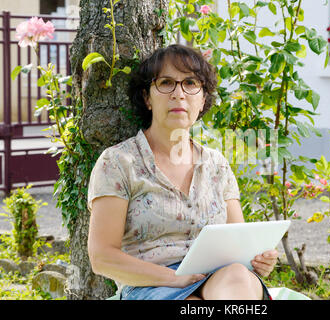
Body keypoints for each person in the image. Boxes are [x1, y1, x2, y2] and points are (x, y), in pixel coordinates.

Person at [87, 44, 278, 300]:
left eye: (190, 83)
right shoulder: (118, 162)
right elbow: (102, 258)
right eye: (166, 83)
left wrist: (259, 261)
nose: (179, 94)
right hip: (151, 285)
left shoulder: (217, 164)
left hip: (218, 278)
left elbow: (238, 243)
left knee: (238, 276)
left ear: (202, 100)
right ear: (147, 98)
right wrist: (174, 278)